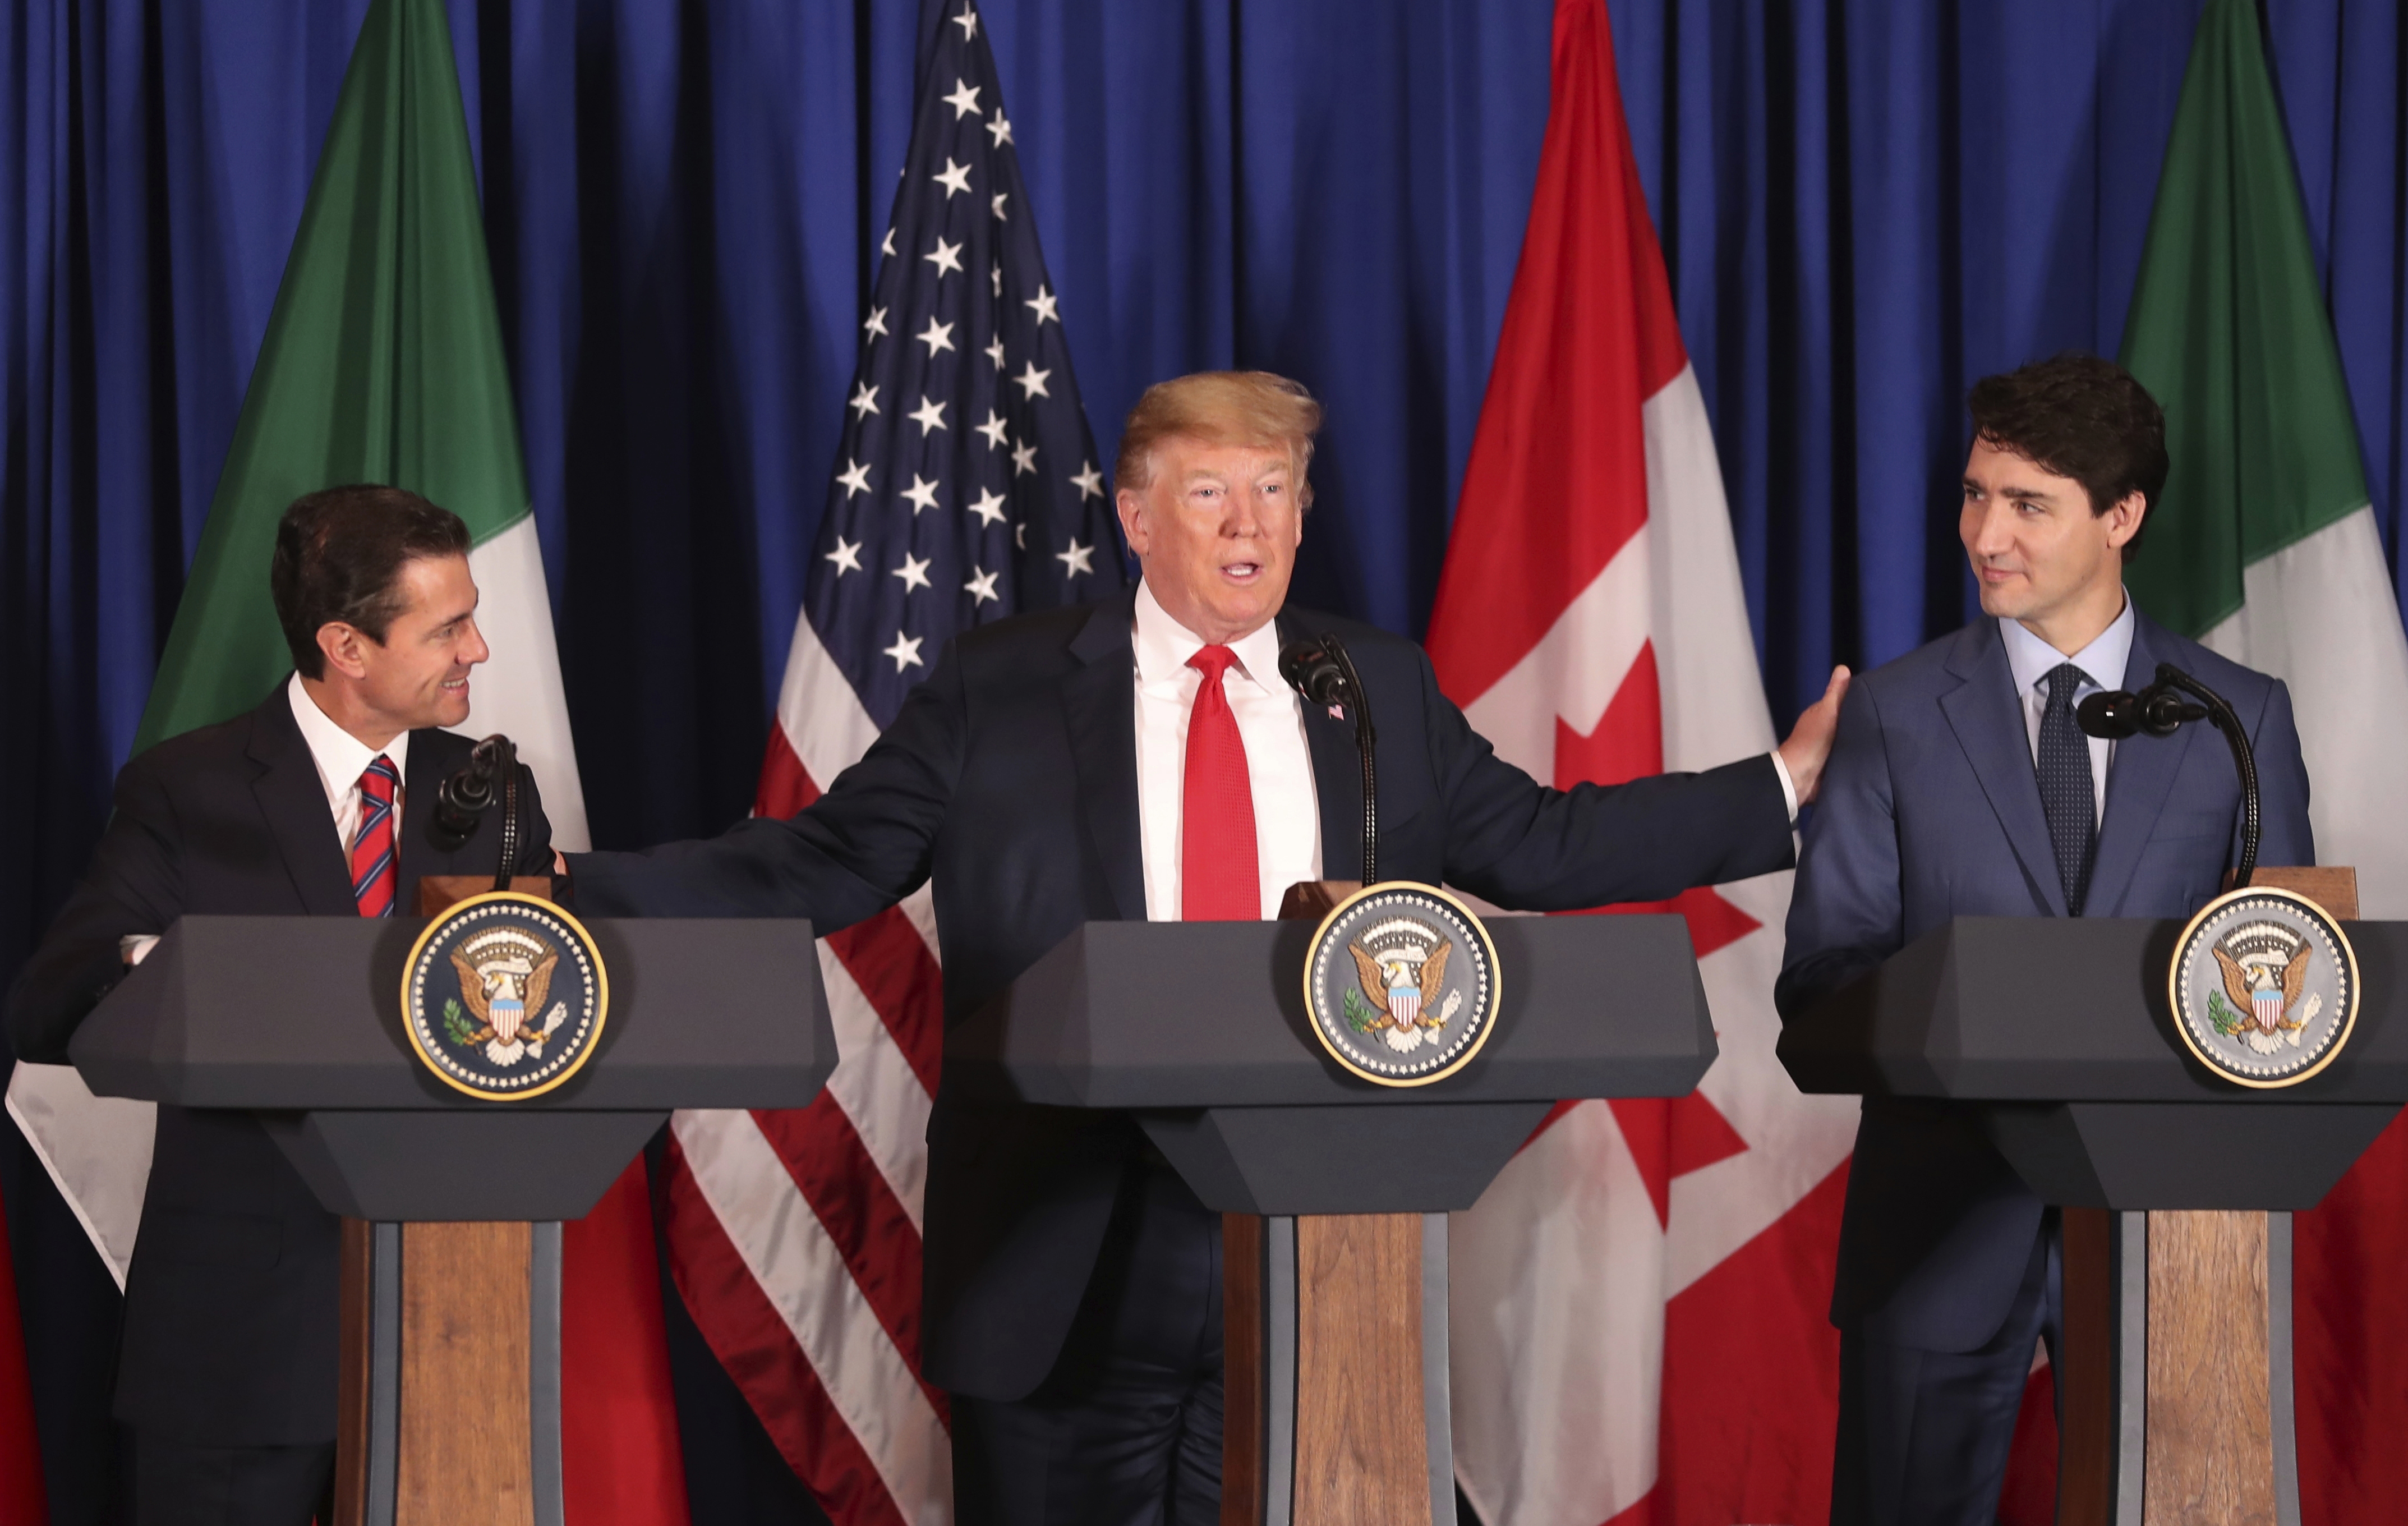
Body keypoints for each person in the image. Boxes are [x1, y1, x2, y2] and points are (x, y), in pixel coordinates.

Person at [563, 370, 1851, 1525]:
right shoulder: (1001, 687)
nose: (1249, 524)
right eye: (1210, 492)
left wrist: (1778, 789)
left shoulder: (1372, 686)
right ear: (1135, 518)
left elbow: (1538, 846)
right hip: (1068, 1250)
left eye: (1275, 491)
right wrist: (576, 893)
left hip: (1320, 1241)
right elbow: (824, 858)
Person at [1776, 353, 2314, 1526]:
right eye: (1974, 494)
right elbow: (1818, 979)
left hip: (2169, 1233)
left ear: (2119, 517)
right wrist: (1977, 1015)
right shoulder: (1892, 715)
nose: (1984, 533)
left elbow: (2285, 976)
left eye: (2026, 504)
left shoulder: (2237, 715)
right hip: (1936, 1228)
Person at [7, 485, 554, 1526]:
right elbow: (45, 1006)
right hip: (240, 1343)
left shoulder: (491, 791)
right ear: (346, 645)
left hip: (450, 1340)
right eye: (447, 627)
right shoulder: (188, 789)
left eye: (473, 616)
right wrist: (186, 965)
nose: (478, 649)